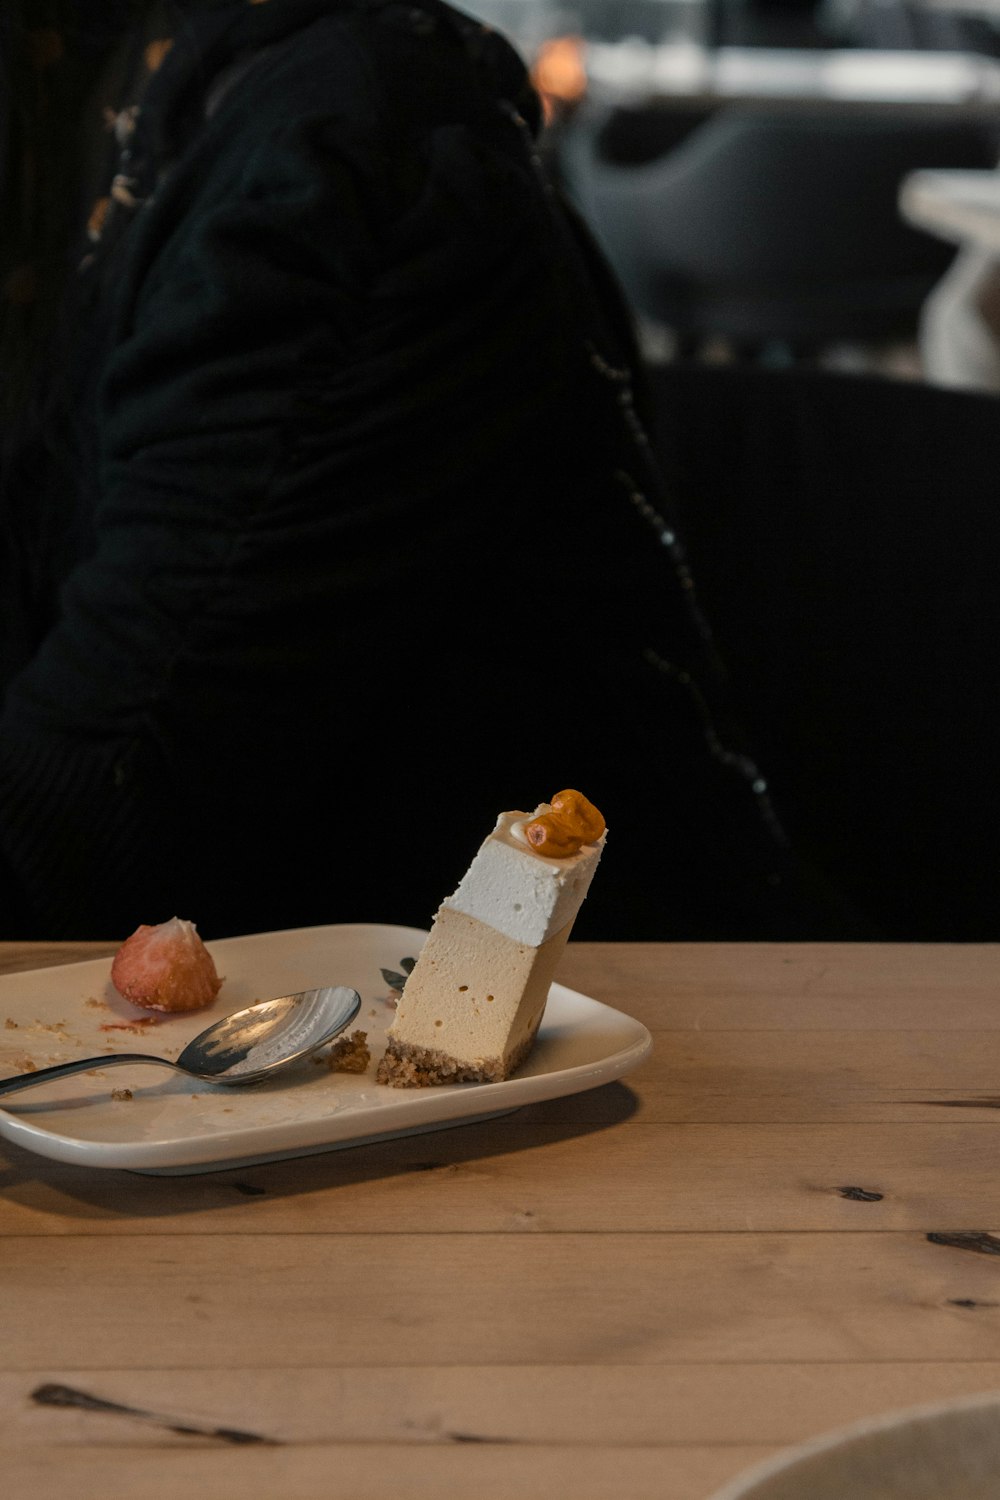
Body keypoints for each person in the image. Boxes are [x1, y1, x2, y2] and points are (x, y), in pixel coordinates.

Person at [0, 0, 863, 941]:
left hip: (569, 1035)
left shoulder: (338, 162)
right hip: (246, 1034)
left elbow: (96, 825)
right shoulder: (81, 116)